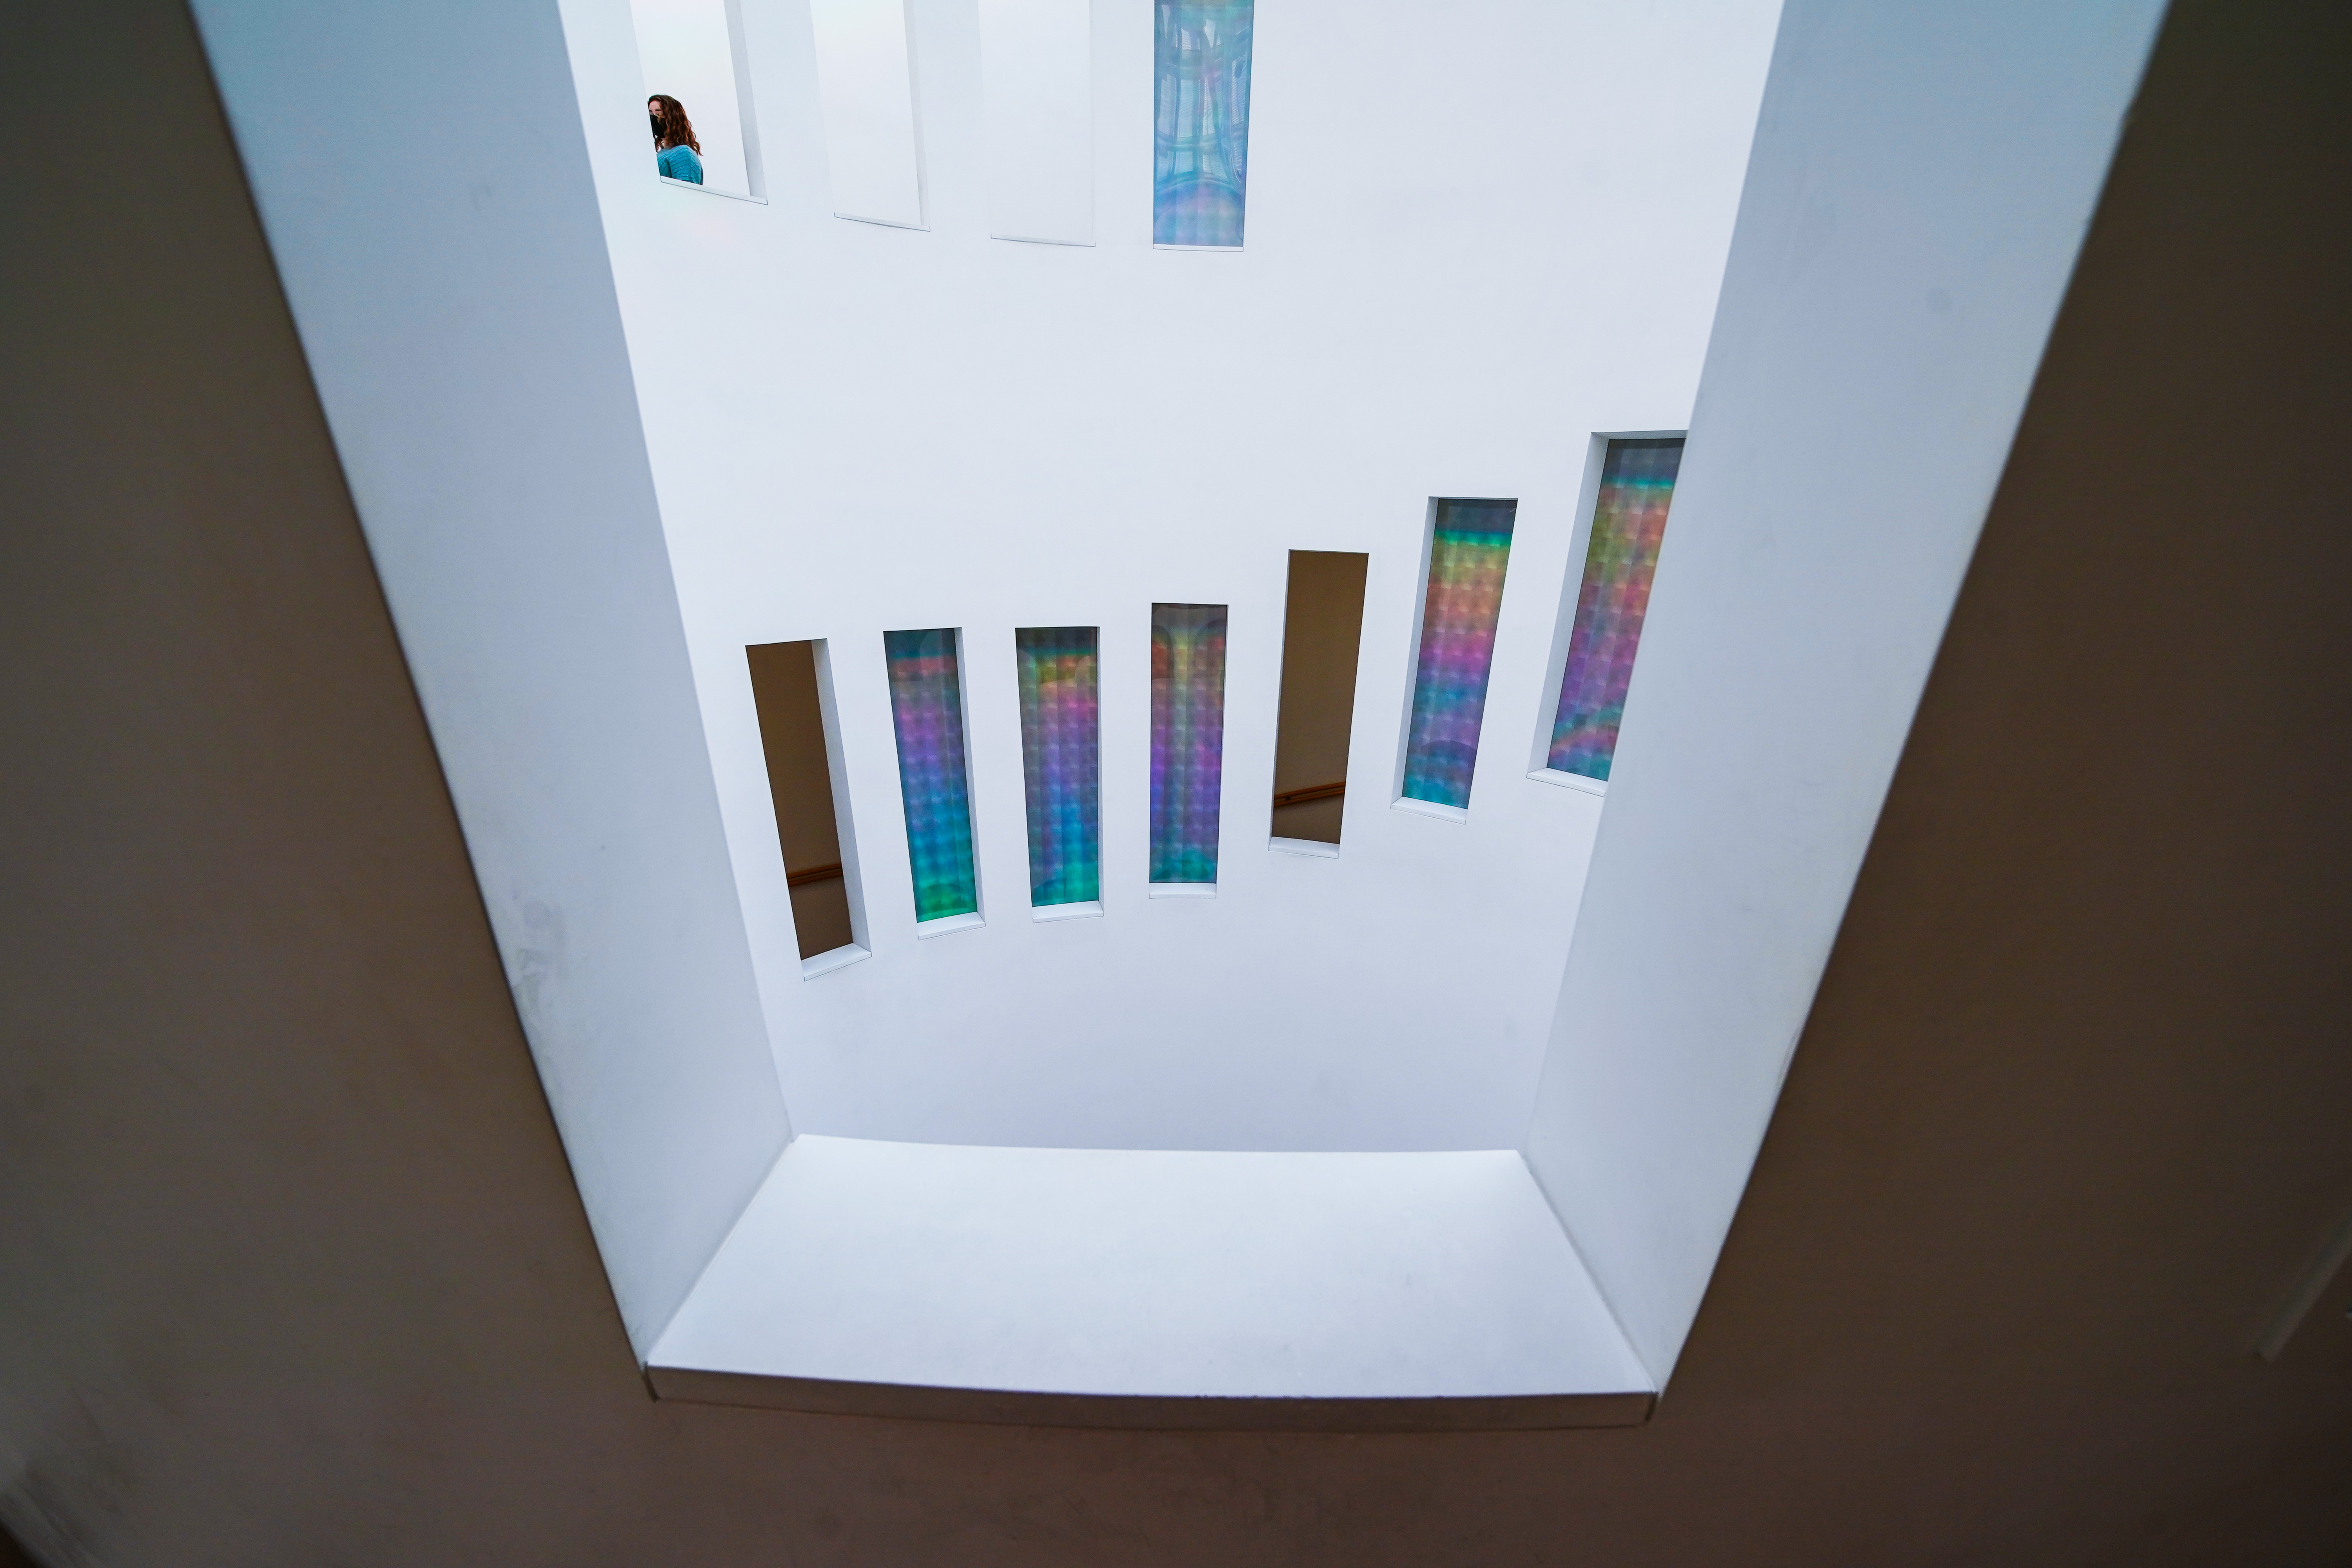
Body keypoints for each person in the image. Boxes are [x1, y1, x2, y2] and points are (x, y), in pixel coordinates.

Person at [648, 95, 704, 184]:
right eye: (651, 114)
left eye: (658, 114)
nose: (654, 118)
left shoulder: (683, 153)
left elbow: (687, 189)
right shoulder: (660, 154)